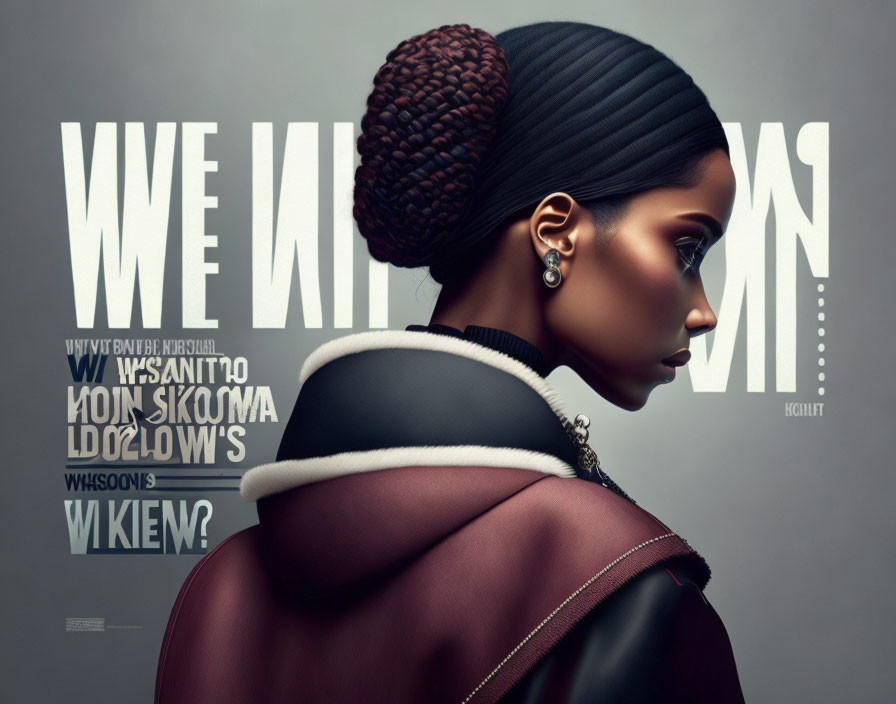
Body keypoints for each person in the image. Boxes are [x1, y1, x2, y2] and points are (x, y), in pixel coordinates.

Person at [156, 22, 745, 703]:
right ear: (556, 234)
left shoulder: (218, 591)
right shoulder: (619, 584)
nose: (703, 310)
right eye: (687, 247)